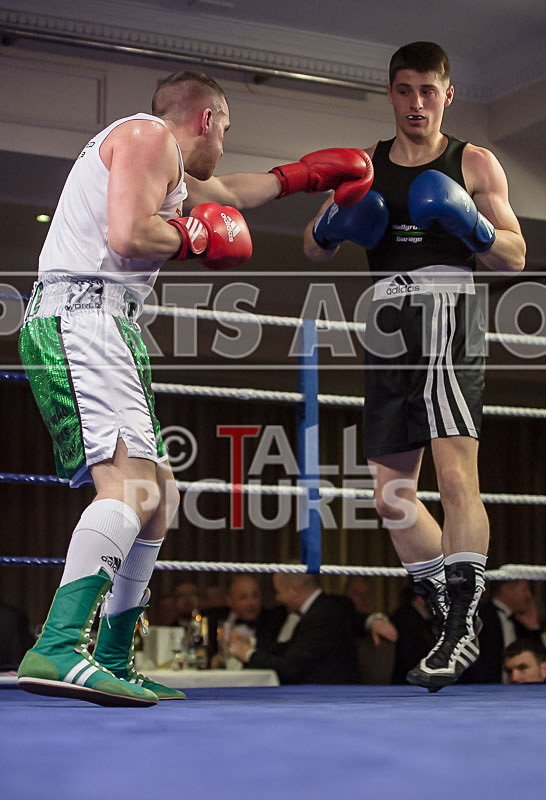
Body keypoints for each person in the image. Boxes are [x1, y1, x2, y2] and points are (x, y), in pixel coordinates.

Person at [17, 69, 374, 707]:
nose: (224, 147)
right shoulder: (149, 135)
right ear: (205, 119)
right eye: (227, 129)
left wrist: (304, 177)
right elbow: (128, 234)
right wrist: (197, 235)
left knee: (160, 499)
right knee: (128, 486)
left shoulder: (167, 165)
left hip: (108, 323)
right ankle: (57, 645)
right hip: (84, 316)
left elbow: (230, 191)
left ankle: (111, 654)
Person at [303, 42, 526, 690]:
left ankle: (461, 629)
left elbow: (514, 253)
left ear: (448, 95)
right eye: (405, 90)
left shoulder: (472, 160)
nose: (417, 103)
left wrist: (473, 228)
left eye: (429, 91)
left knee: (456, 477)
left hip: (450, 314)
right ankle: (448, 613)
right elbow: (315, 252)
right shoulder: (367, 165)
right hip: (387, 321)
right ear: (392, 93)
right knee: (391, 495)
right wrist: (335, 224)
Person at [228, 573, 361, 684]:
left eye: (278, 592)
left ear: (294, 589)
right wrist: (251, 643)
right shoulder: (317, 610)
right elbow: (291, 648)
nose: (277, 598)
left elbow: (289, 668)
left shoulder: (321, 615)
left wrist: (248, 654)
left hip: (334, 700)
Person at [463, 580, 543, 683]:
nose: (528, 595)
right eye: (525, 589)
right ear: (507, 589)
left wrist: (533, 628)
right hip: (481, 691)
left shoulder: (520, 622)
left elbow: (538, 659)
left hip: (517, 690)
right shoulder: (478, 615)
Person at [208, 574, 281, 668]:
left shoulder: (273, 621)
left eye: (255, 596)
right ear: (229, 600)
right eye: (243, 597)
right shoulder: (215, 621)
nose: (251, 603)